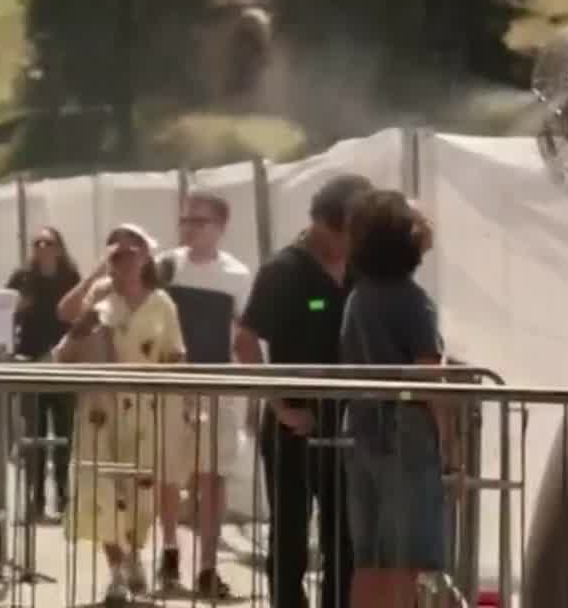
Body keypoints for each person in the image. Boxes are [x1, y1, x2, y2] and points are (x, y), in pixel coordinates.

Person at [235, 173, 373, 608]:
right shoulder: (283, 270)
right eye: (340, 234)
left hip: (347, 421)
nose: (344, 245)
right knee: (291, 528)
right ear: (320, 224)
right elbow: (245, 339)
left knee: (345, 532)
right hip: (293, 423)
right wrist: (279, 407)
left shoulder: (360, 270)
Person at [52, 223, 186, 606]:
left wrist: (184, 405)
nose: (123, 260)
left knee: (140, 497)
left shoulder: (162, 303)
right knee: (102, 490)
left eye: (131, 253)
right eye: (116, 254)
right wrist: (85, 320)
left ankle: (135, 557)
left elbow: (175, 354)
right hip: (100, 410)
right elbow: (64, 332)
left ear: (146, 257)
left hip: (145, 410)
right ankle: (116, 575)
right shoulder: (98, 296)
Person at [339, 192, 458, 608]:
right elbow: (430, 378)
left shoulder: (358, 297)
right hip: (405, 434)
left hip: (360, 429)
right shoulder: (412, 300)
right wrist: (448, 445)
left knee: (369, 559)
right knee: (406, 560)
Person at [153, 188, 252, 599]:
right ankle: (170, 549)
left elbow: (245, 332)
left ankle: (208, 565)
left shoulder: (237, 276)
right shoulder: (166, 267)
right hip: (172, 384)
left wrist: (258, 385)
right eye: (185, 220)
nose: (189, 228)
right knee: (169, 474)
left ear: (221, 227)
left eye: (199, 221)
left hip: (219, 385)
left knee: (214, 477)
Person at [6, 225, 80, 522]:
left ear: (59, 248)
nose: (41, 247)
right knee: (32, 436)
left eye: (47, 242)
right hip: (31, 362)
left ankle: (63, 497)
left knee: (64, 435)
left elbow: (79, 318)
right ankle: (34, 499)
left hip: (64, 366)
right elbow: (1, 313)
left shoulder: (70, 279)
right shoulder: (22, 279)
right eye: (36, 243)